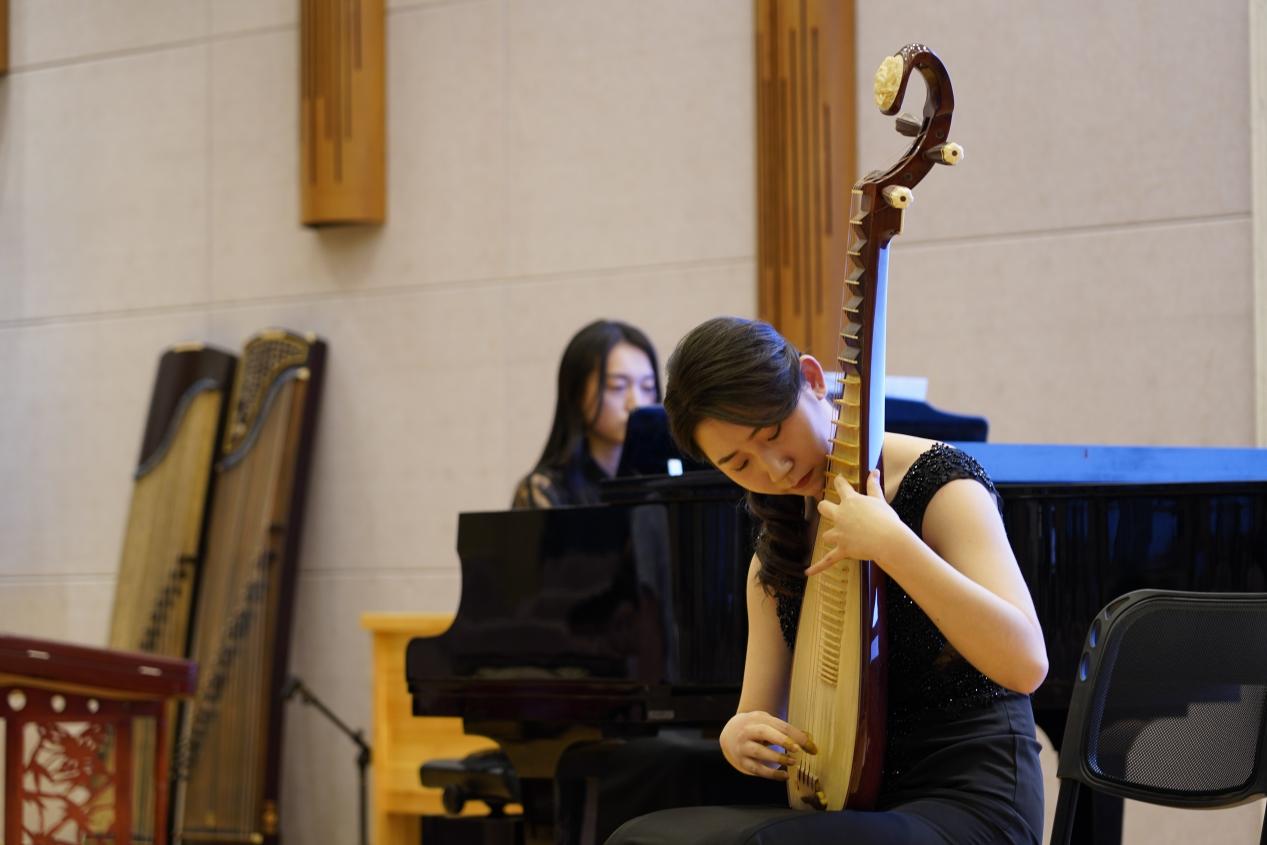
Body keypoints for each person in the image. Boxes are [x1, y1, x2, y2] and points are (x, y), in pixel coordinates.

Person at [607, 316, 1048, 845]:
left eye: (773, 432)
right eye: (739, 463)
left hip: (973, 801)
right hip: (854, 807)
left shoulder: (939, 484)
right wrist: (738, 736)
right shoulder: (776, 552)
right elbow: (757, 713)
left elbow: (1027, 664)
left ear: (814, 381)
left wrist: (892, 545)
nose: (775, 468)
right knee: (637, 836)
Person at [512, 319, 660, 508]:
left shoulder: (662, 482)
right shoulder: (544, 490)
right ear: (577, 394)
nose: (636, 404)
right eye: (618, 386)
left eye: (647, 387)